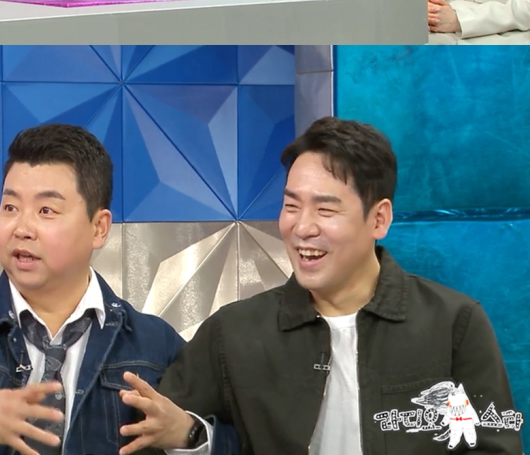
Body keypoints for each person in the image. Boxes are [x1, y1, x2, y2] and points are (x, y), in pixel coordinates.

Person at [117, 117, 523, 455]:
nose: (302, 227)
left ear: (379, 219)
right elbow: (155, 437)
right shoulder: (233, 333)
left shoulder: (454, 324)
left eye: (325, 209)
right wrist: (190, 437)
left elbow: (494, 446)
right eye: (291, 206)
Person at [0, 123, 237, 455]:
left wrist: (191, 436)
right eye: (10, 207)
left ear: (99, 228)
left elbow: (248, 440)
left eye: (46, 210)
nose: (21, 228)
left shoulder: (156, 347)